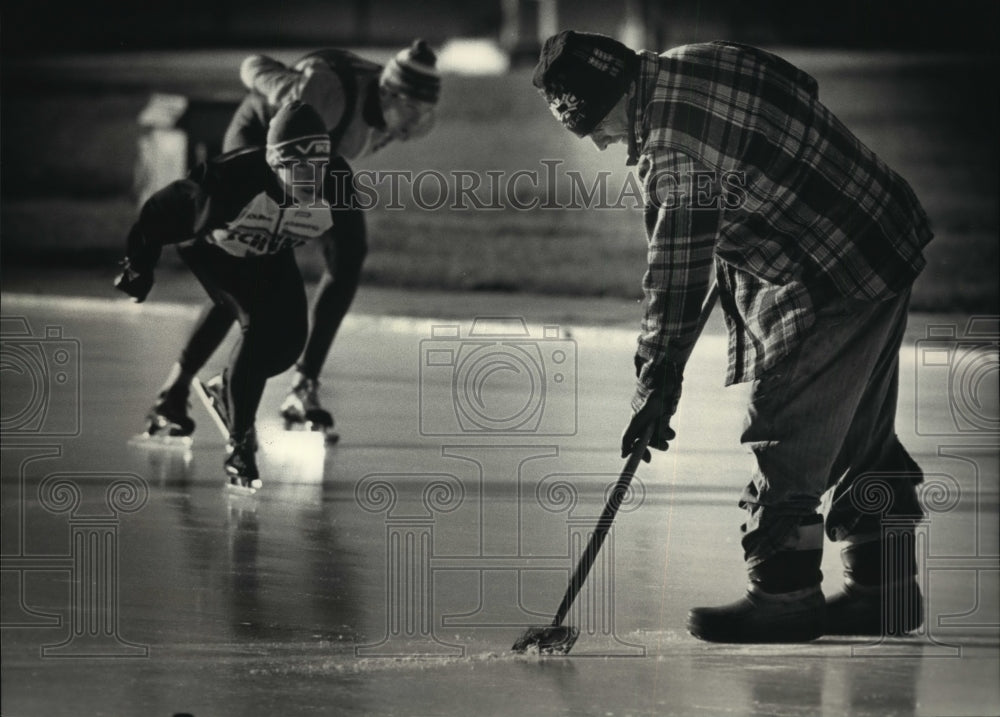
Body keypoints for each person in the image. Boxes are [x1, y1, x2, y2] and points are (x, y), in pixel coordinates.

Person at [532, 31, 932, 642]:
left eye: (594, 124)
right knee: (855, 430)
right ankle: (886, 591)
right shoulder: (695, 58)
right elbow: (800, 86)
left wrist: (656, 379)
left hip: (833, 269)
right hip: (880, 228)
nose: (600, 141)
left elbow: (675, 275)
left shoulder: (672, 153)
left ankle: (785, 595)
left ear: (615, 95)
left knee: (785, 425)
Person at [144, 40, 441, 442]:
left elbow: (334, 158)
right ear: (389, 92)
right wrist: (291, 84)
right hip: (261, 147)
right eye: (411, 111)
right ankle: (173, 391)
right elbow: (252, 65)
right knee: (250, 267)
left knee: (349, 253)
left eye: (424, 115)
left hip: (319, 160)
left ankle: (303, 387)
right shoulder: (326, 92)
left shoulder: (386, 112)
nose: (412, 126)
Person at [116, 101, 336, 490]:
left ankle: (224, 390)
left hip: (268, 243)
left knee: (288, 343)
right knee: (257, 326)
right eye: (296, 166)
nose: (308, 178)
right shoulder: (224, 183)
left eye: (316, 166)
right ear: (273, 162)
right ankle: (240, 445)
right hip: (211, 246)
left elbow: (348, 251)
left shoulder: (338, 181)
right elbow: (156, 213)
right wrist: (138, 266)